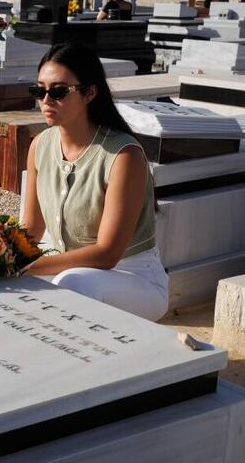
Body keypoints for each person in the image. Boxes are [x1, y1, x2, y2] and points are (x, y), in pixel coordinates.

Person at [22, 43, 168, 321]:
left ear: (89, 93)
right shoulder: (40, 145)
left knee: (72, 285)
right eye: (39, 90)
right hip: (68, 271)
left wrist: (27, 268)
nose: (46, 101)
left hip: (131, 278)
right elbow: (31, 229)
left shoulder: (123, 156)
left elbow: (107, 255)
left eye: (58, 91)